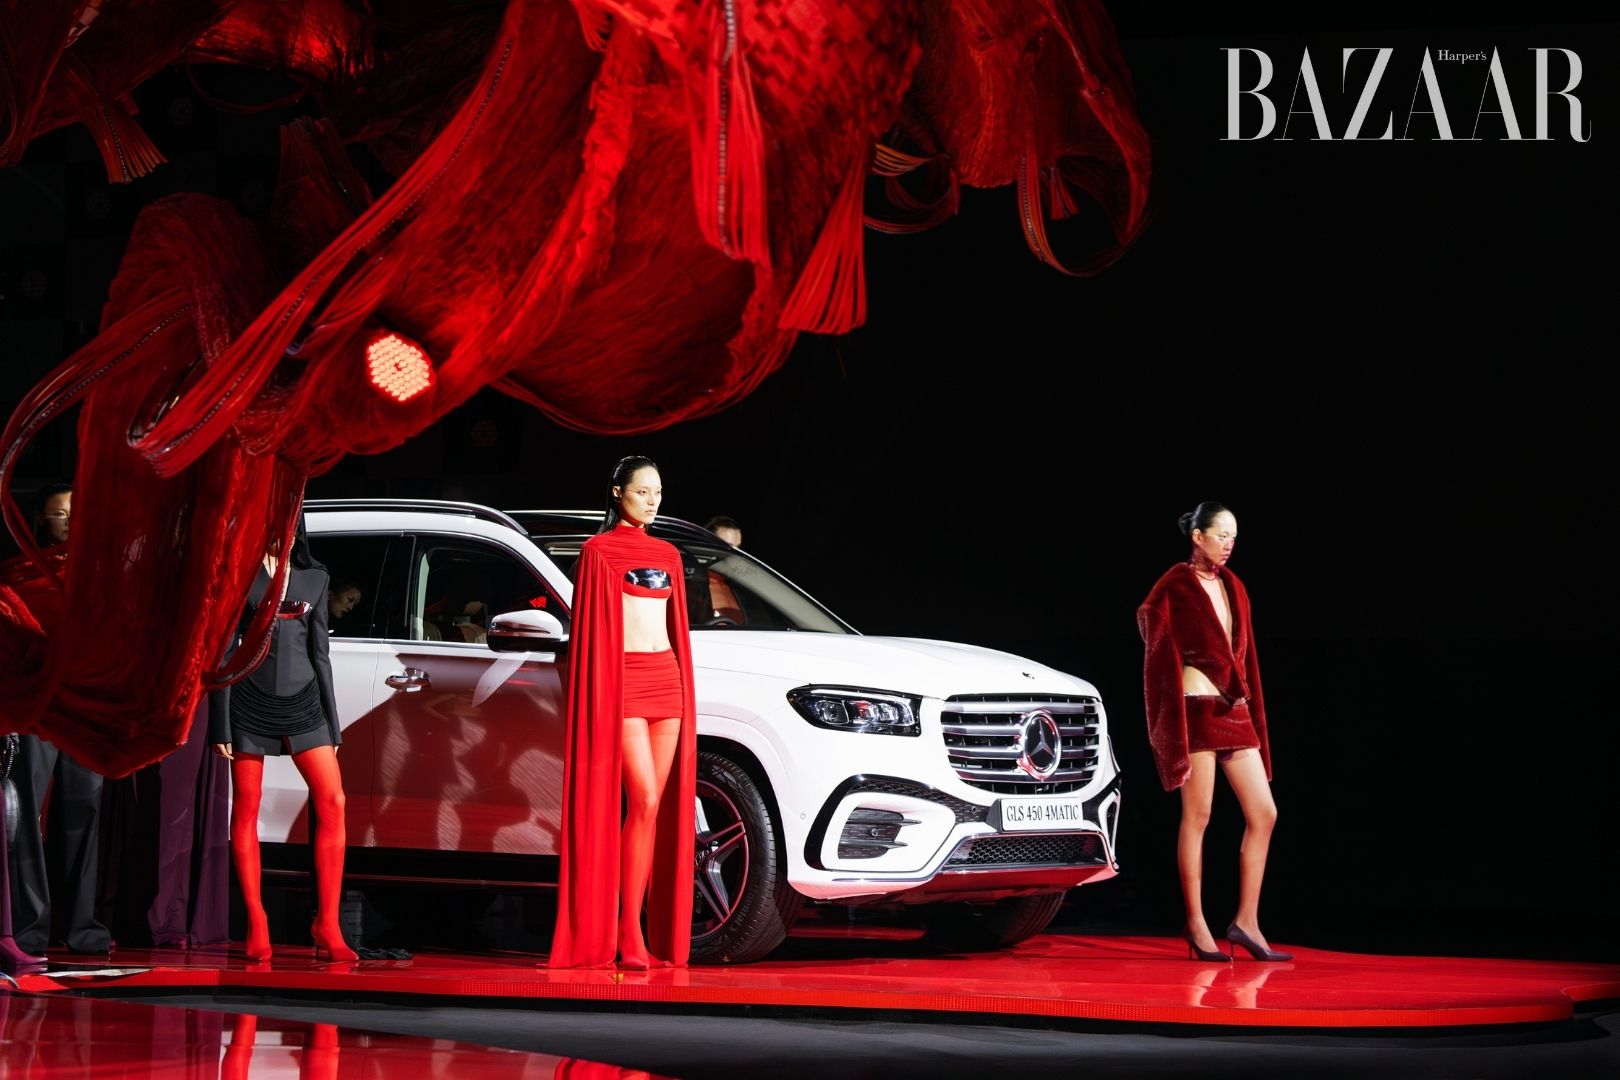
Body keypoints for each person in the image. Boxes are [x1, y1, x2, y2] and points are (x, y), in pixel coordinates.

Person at [549, 456, 697, 969]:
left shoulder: (668, 554)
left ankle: (632, 925)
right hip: (626, 683)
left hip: (667, 681)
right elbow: (591, 634)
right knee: (646, 798)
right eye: (642, 491)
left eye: (658, 492)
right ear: (617, 493)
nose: (652, 501)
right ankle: (627, 931)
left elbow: (674, 625)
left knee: (652, 809)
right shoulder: (598, 552)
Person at [1137, 501, 1290, 963]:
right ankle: (1196, 921)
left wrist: (1250, 706)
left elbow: (1247, 656)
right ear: (1197, 536)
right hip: (1197, 707)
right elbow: (1151, 627)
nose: (1228, 544)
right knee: (1198, 816)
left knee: (1264, 812)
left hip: (1233, 709)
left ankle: (1247, 922)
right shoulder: (1175, 584)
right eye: (1221, 535)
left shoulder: (1234, 585)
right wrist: (1170, 718)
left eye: (1233, 537)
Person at [211, 516, 356, 962]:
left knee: (333, 802)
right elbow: (224, 647)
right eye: (277, 522)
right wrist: (220, 724)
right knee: (246, 809)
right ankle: (257, 921)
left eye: (292, 523)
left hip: (306, 701)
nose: (285, 532)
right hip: (249, 700)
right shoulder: (241, 574)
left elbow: (321, 653)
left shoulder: (316, 578)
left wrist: (333, 725)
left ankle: (327, 924)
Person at [8, 483, 114, 958]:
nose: (70, 521)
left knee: (83, 810)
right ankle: (28, 926)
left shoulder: (101, 572)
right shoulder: (19, 574)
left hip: (84, 705)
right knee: (26, 813)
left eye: (76, 512)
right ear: (40, 520)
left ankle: (80, 925)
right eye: (60, 514)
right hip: (38, 707)